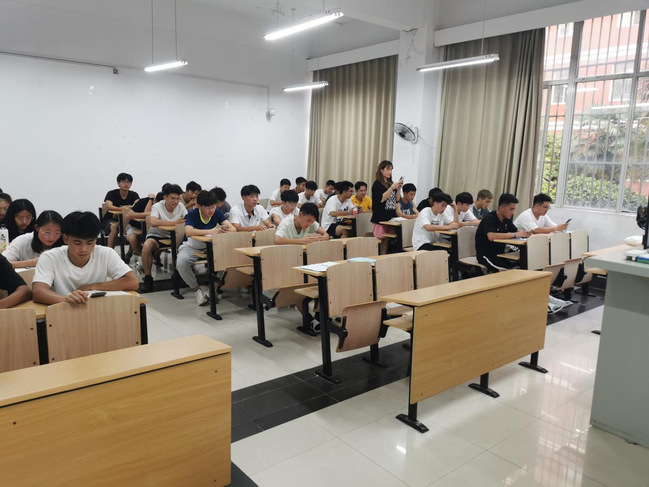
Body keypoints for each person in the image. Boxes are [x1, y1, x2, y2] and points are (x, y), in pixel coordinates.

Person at [32, 211, 138, 305]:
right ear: (65, 239)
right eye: (77, 243)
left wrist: (91, 287)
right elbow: (38, 292)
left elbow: (132, 282)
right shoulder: (50, 257)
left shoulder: (106, 253)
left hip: (96, 310)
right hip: (62, 311)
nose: (83, 249)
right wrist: (66, 299)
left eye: (89, 243)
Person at [177, 190, 235, 306]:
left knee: (228, 260)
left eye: (213, 207)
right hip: (192, 247)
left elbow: (233, 229)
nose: (211, 210)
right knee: (181, 263)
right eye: (208, 207)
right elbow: (188, 231)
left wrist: (225, 229)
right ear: (199, 206)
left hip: (212, 246)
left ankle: (212, 289)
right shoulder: (193, 214)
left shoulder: (217, 213)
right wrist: (210, 231)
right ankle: (197, 290)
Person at [140, 183, 188, 292]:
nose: (176, 201)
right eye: (172, 198)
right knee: (147, 246)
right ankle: (148, 277)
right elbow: (153, 222)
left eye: (178, 198)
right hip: (157, 235)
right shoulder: (157, 206)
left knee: (185, 247)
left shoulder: (181, 206)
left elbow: (187, 218)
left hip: (175, 235)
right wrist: (175, 222)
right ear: (165, 197)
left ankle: (178, 274)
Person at [475, 193, 531, 272]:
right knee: (506, 272)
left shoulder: (506, 219)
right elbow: (491, 236)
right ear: (501, 208)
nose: (512, 213)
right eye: (511, 209)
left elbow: (516, 231)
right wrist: (515, 234)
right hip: (486, 255)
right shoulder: (489, 218)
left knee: (518, 265)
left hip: (501, 254)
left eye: (514, 210)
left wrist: (525, 234)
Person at [371, 160, 402, 253]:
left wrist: (399, 188)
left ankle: (383, 256)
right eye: (388, 169)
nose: (390, 172)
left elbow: (397, 199)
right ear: (381, 170)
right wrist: (392, 188)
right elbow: (381, 199)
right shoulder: (377, 184)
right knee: (379, 240)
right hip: (380, 217)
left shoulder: (390, 183)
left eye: (391, 169)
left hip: (390, 217)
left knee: (386, 241)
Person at [103, 172, 141, 249]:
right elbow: (109, 206)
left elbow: (138, 205)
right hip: (111, 219)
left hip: (127, 219)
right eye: (123, 182)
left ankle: (130, 252)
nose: (126, 184)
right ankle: (110, 251)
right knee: (115, 227)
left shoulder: (134, 194)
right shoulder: (112, 193)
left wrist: (129, 207)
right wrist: (123, 208)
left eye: (128, 182)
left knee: (135, 227)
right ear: (118, 183)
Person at [124, 192, 161, 258]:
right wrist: (148, 213)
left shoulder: (165, 206)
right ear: (154, 200)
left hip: (153, 228)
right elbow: (128, 215)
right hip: (135, 226)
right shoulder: (142, 201)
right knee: (132, 239)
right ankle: (145, 258)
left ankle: (151, 257)